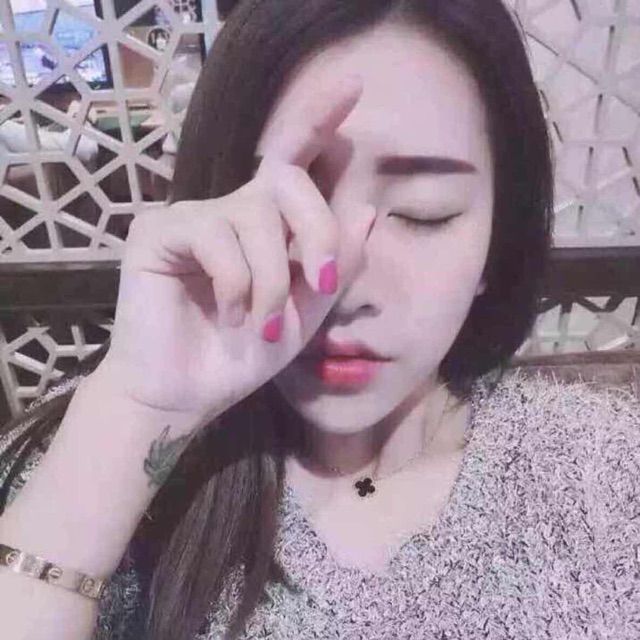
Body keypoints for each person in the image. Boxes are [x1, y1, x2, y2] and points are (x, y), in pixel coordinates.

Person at [0, 1, 638, 639]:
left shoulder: (606, 474)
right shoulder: (81, 454)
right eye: (290, 205)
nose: (340, 289)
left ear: (498, 243)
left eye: (425, 212)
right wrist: (134, 412)